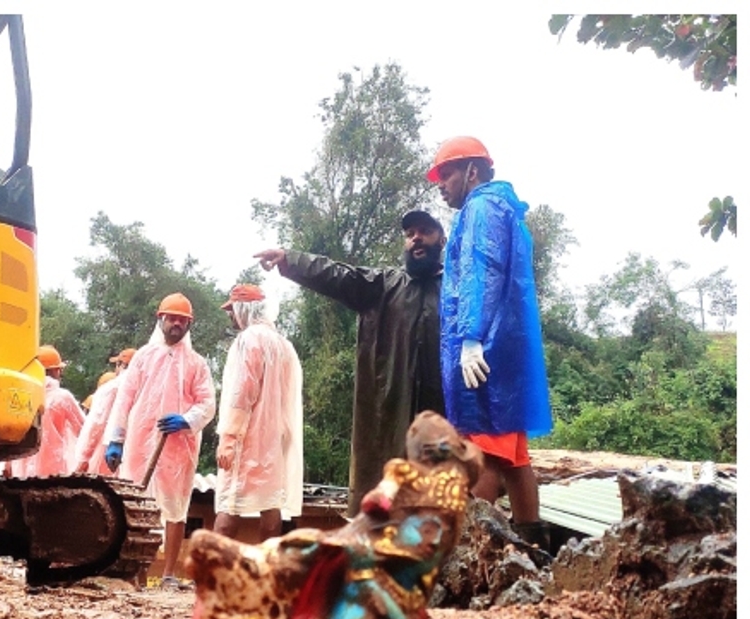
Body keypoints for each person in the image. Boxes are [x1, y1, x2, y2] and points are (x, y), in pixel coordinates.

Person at [253, 209, 446, 515]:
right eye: (410, 234)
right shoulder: (384, 286)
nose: (416, 238)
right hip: (389, 421)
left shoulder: (458, 291)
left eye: (425, 231)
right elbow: (337, 274)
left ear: (442, 239)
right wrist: (290, 260)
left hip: (443, 425)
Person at [427, 135, 553, 546]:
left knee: (484, 456)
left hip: (485, 354)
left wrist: (471, 338)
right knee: (516, 460)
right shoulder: (503, 209)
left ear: (472, 171)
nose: (440, 185)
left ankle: (473, 550)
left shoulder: (481, 207)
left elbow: (483, 270)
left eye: (446, 174)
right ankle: (532, 552)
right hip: (504, 351)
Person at [103, 293, 216, 590]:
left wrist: (187, 419)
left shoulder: (197, 364)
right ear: (161, 319)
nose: (176, 323)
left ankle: (168, 575)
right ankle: (137, 575)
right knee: (138, 507)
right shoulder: (143, 357)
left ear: (189, 324)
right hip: (141, 444)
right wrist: (115, 439)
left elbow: (207, 403)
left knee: (176, 508)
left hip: (178, 448)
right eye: (172, 317)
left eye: (182, 319)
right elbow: (124, 400)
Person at [212, 284, 304, 543]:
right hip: (275, 440)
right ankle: (267, 574)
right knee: (270, 503)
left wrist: (229, 438)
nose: (231, 315)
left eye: (233, 309)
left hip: (247, 437)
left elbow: (242, 392)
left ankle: (214, 575)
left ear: (245, 308)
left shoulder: (248, 339)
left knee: (230, 502)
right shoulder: (284, 345)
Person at [6, 345, 85, 478]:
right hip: (54, 473)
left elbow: (9, 432)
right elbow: (84, 431)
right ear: (56, 371)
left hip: (21, 472)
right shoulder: (63, 397)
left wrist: (6, 463)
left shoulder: (21, 396)